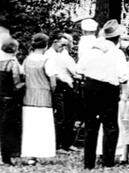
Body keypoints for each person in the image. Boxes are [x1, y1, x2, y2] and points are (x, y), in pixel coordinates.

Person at [76, 20, 128, 169]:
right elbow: (123, 76)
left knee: (91, 125)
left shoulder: (92, 50)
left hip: (90, 86)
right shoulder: (117, 53)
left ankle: (89, 162)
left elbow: (79, 69)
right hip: (108, 89)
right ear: (117, 38)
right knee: (110, 125)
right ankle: (108, 161)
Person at [20, 33, 56, 162]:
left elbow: (22, 76)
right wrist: (52, 91)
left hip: (28, 96)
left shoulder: (27, 59)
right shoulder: (47, 60)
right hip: (44, 96)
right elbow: (53, 81)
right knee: (44, 126)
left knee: (30, 126)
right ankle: (43, 154)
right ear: (46, 45)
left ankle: (29, 155)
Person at [46, 33, 79, 152]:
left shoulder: (60, 54)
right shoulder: (50, 55)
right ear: (55, 42)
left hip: (67, 85)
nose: (64, 47)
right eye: (62, 44)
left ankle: (67, 143)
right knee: (60, 116)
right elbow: (54, 74)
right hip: (59, 86)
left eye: (66, 45)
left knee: (69, 115)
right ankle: (58, 145)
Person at [0, 38, 23, 165]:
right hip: (8, 99)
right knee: (6, 129)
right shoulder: (12, 62)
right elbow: (16, 83)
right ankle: (6, 158)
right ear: (15, 50)